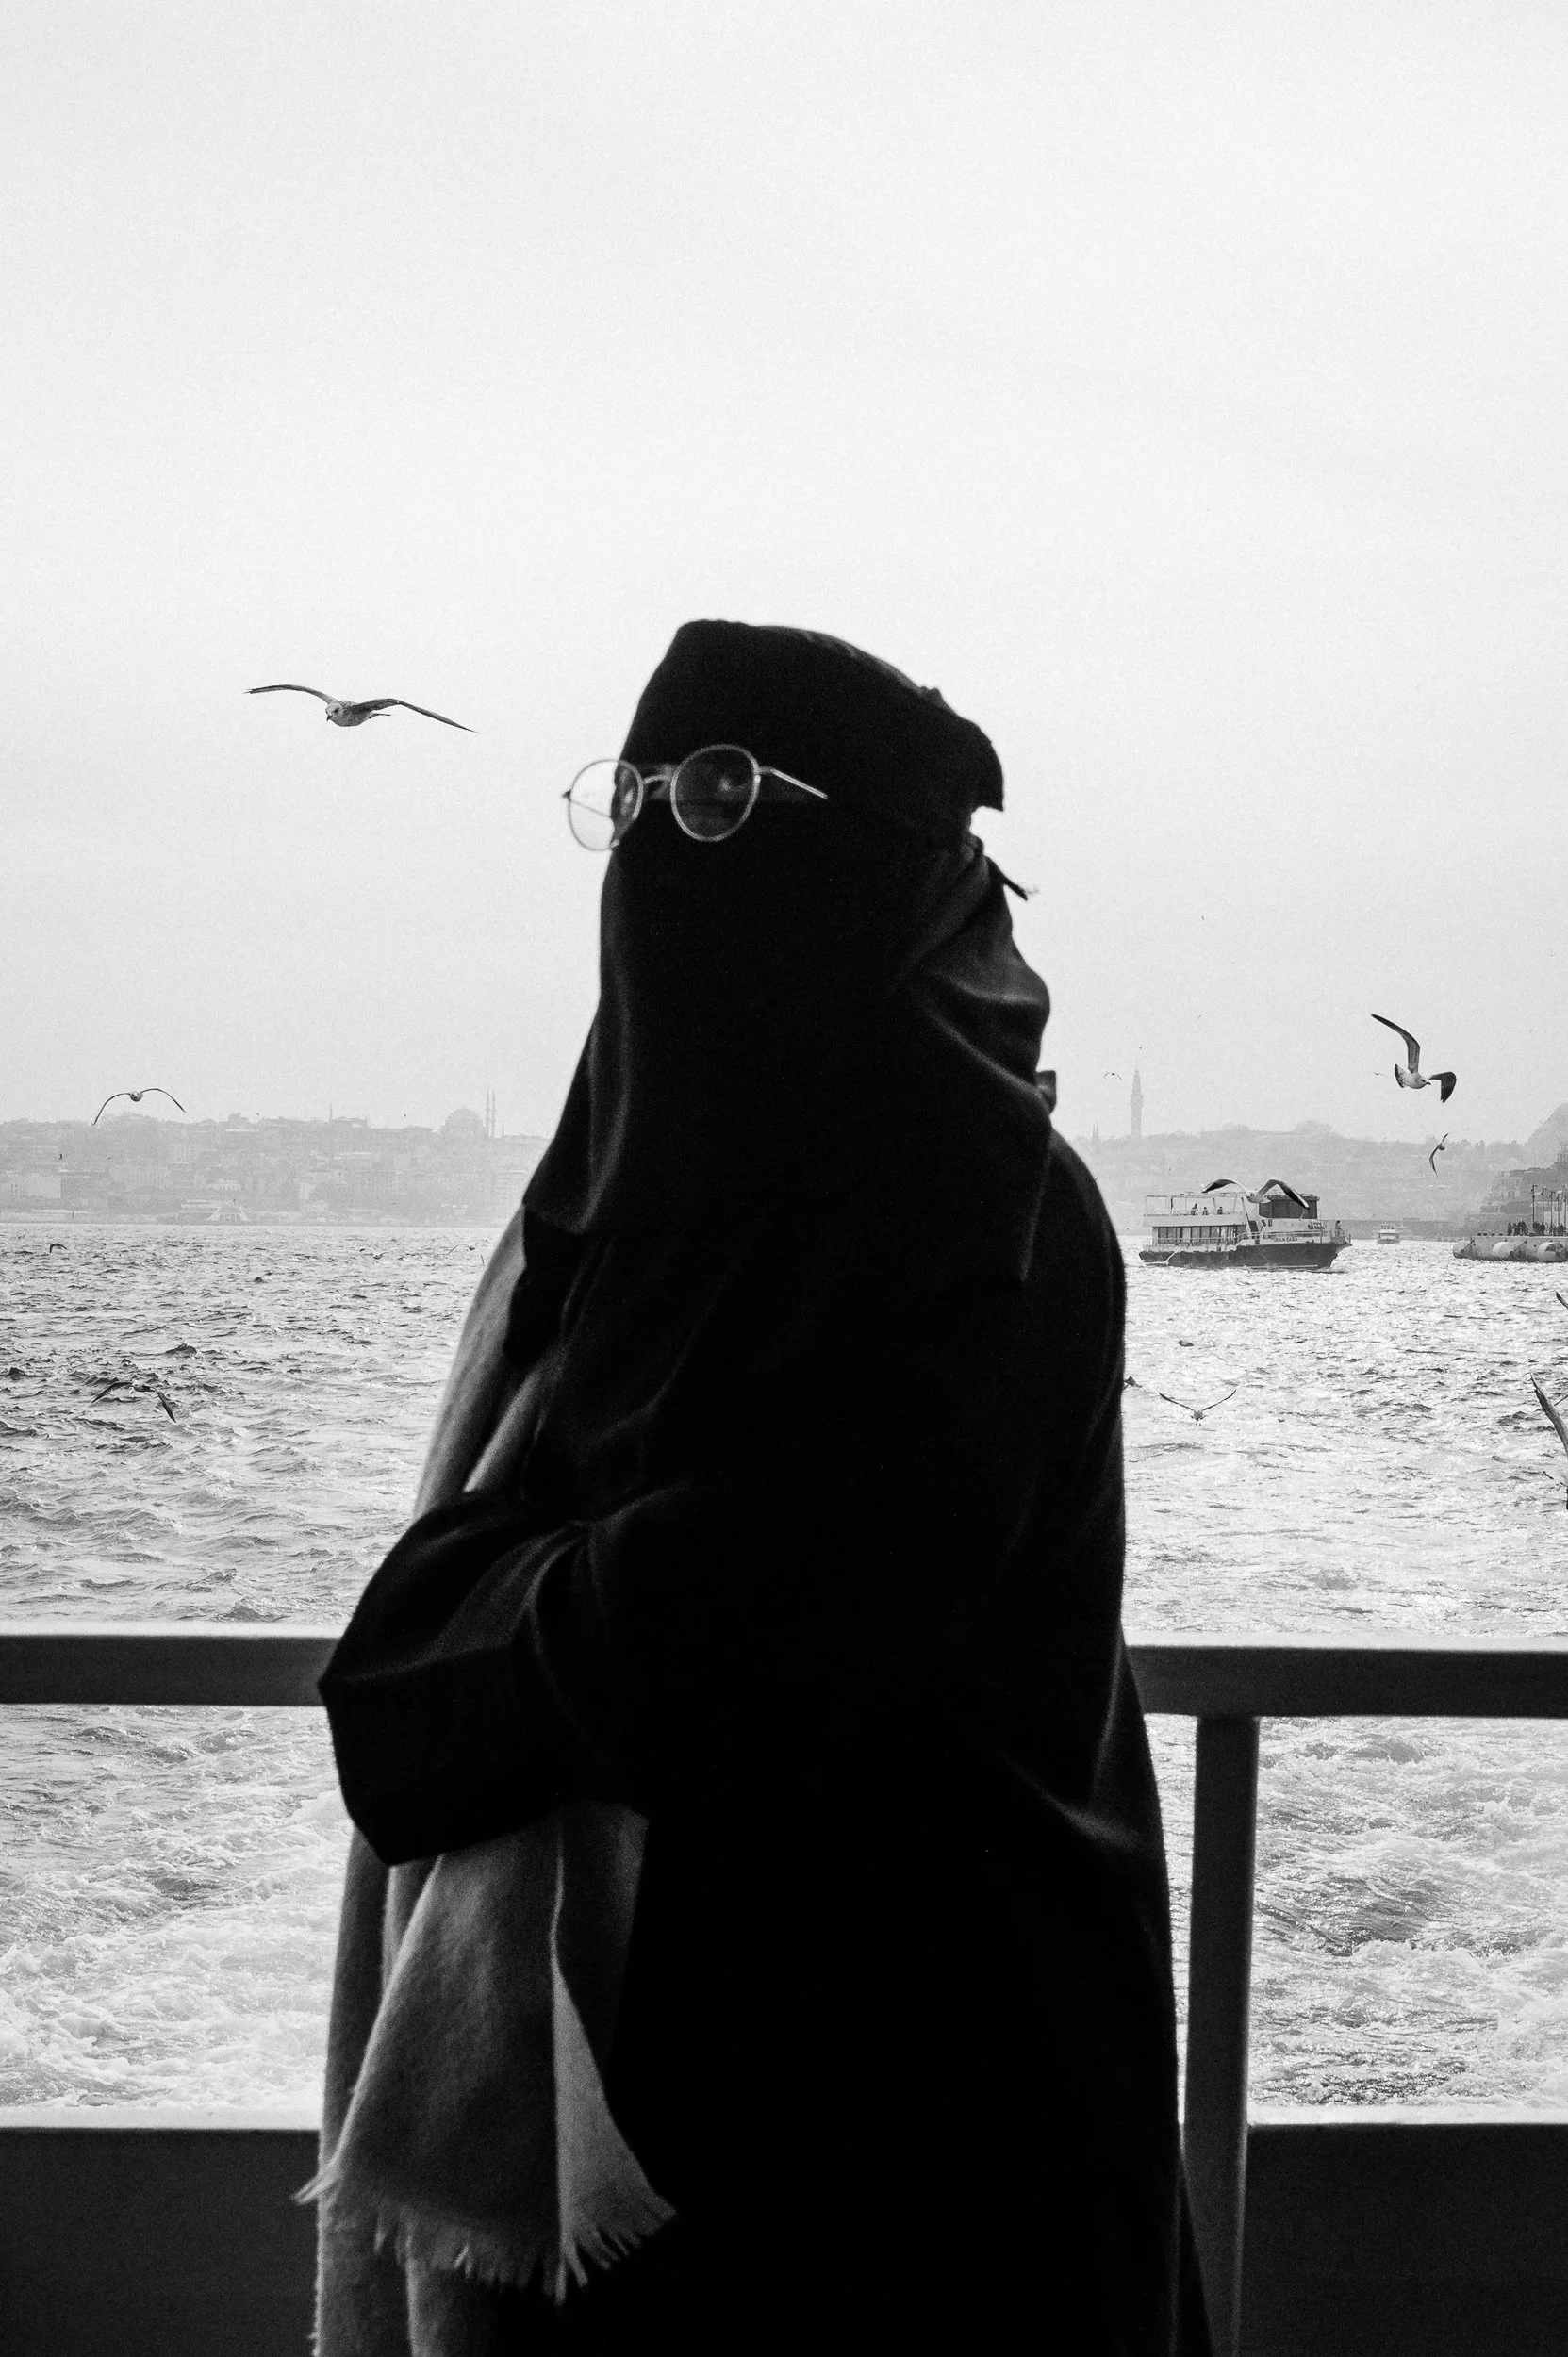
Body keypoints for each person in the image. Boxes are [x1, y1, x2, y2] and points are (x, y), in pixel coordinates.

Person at [316, 621, 1210, 2353]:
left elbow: (725, 1632)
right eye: (634, 794)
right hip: (661, 2124)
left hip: (923, 2137)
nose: (660, 844)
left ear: (870, 855)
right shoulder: (617, 1217)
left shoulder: (988, 1222)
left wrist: (453, 1627)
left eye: (722, 795)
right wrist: (492, 1633)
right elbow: (609, 1632)